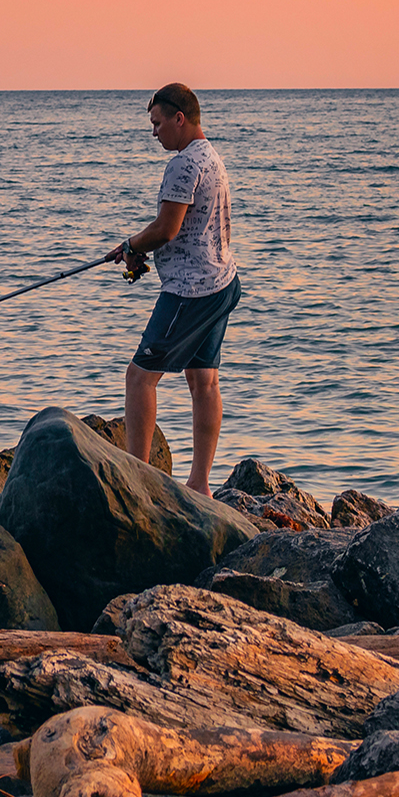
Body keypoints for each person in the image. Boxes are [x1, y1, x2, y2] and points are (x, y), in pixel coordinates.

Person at [100, 83, 241, 494]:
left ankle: (137, 480)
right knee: (204, 381)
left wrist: (129, 247)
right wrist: (142, 252)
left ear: (180, 118)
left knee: (139, 377)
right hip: (222, 282)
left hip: (190, 292)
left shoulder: (182, 165)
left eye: (158, 123)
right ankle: (199, 485)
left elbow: (167, 228)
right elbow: (192, 230)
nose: (154, 132)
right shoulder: (212, 158)